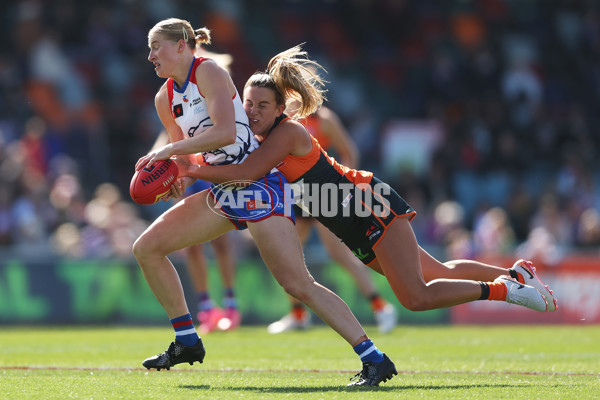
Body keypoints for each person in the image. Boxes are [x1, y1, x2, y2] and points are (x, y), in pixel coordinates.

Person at [176, 44, 558, 331]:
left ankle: (506, 290)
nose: (253, 111)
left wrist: (192, 169)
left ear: (281, 109)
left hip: (364, 206)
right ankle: (516, 273)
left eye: (262, 104)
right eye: (248, 104)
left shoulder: (288, 133)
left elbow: (246, 172)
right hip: (348, 221)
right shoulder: (258, 138)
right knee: (438, 270)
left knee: (415, 296)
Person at [133, 19, 397, 387]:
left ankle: (374, 358)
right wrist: (174, 174)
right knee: (146, 248)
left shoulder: (206, 71)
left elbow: (224, 132)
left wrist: (171, 151)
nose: (150, 55)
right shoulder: (165, 98)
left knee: (298, 284)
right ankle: (187, 340)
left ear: (181, 46)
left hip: (257, 186)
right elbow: (186, 162)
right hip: (223, 190)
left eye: (156, 46)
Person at [268, 103, 397, 335]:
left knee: (339, 255)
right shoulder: (284, 116)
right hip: (295, 193)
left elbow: (350, 151)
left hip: (322, 193)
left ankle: (382, 307)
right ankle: (297, 315)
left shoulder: (324, 119)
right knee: (288, 254)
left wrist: (342, 187)